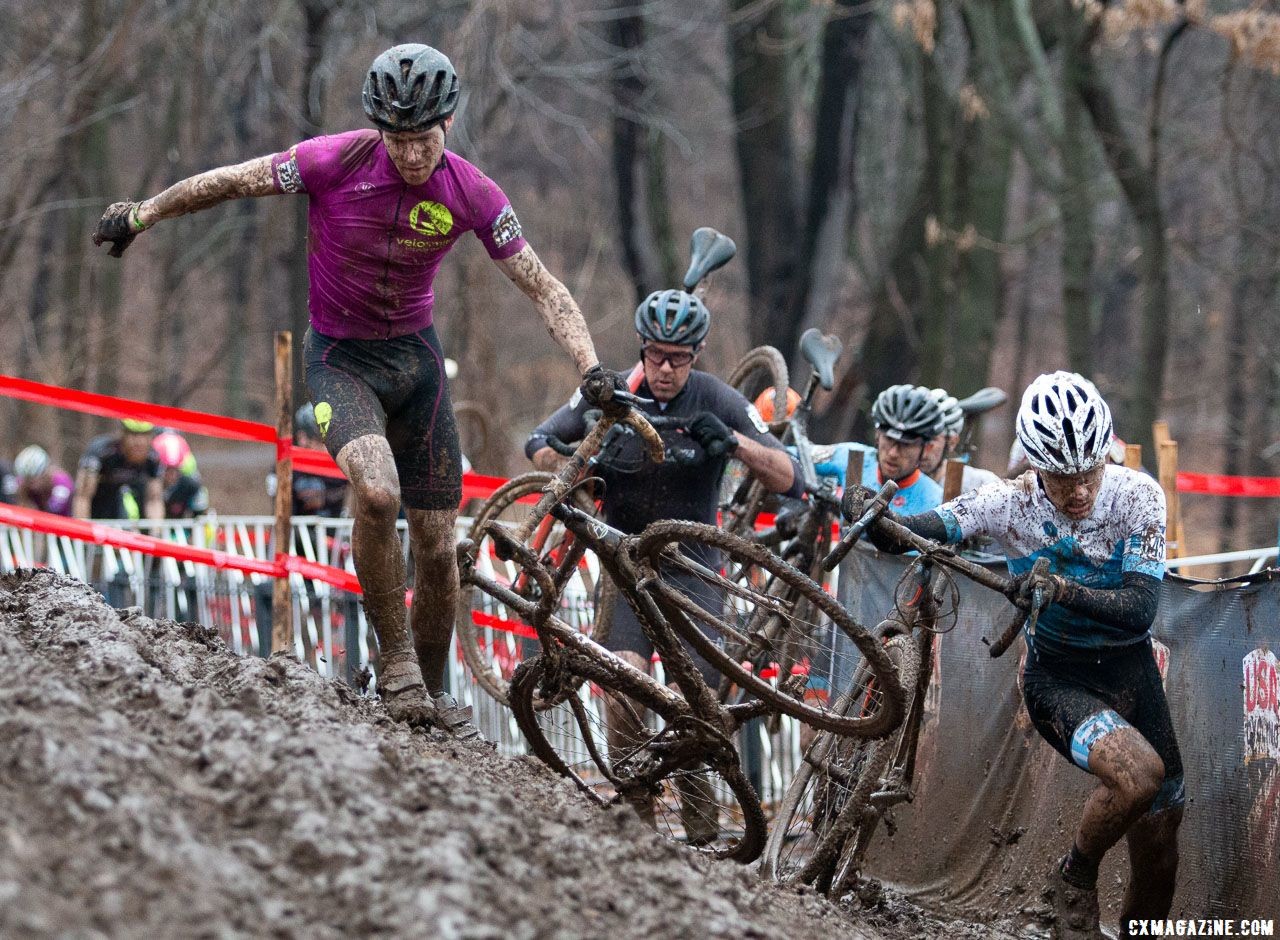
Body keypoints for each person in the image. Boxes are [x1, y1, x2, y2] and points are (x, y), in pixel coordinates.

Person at [94, 43, 619, 737]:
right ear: (379, 131)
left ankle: (432, 695)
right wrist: (144, 215)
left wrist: (590, 369)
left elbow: (543, 287)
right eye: (398, 141)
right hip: (341, 361)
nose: (410, 157)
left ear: (449, 124)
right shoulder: (332, 160)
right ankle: (395, 661)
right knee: (375, 491)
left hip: (419, 365)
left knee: (437, 545)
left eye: (424, 140)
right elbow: (229, 181)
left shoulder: (473, 192)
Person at [855, 371, 1181, 939]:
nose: (1079, 492)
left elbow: (1139, 607)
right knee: (1138, 776)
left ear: (1107, 454)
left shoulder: (1139, 496)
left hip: (1133, 675)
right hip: (1059, 681)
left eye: (1088, 473)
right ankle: (1072, 881)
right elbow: (922, 528)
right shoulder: (1009, 504)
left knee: (1160, 847)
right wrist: (877, 517)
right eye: (1060, 478)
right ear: (1034, 467)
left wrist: (1063, 590)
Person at [526, 288, 803, 833]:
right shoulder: (616, 391)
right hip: (626, 570)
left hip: (693, 571)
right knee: (626, 687)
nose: (665, 369)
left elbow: (792, 476)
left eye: (678, 358)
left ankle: (702, 823)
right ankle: (638, 814)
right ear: (642, 349)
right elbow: (537, 440)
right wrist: (571, 461)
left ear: (696, 355)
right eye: (655, 355)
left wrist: (734, 445)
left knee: (687, 705)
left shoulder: (716, 398)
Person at [808, 384, 946, 515]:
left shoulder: (936, 503)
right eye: (888, 439)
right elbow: (798, 455)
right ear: (877, 435)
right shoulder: (852, 457)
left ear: (927, 448)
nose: (893, 453)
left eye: (906, 445)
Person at [73, 420, 164, 521]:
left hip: (124, 499)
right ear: (122, 435)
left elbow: (154, 499)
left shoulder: (152, 457)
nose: (139, 442)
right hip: (97, 500)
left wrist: (157, 531)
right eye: (133, 435)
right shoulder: (102, 450)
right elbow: (83, 496)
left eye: (144, 436)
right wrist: (84, 529)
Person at [920, 388, 1002, 493]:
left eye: (932, 439)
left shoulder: (982, 483)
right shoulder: (895, 479)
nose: (922, 448)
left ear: (952, 442)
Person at [152, 431, 210, 519]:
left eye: (175, 470)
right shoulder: (148, 481)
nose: (172, 475)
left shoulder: (191, 486)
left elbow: (201, 512)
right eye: (167, 470)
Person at [12, 445, 75, 516]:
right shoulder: (21, 481)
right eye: (28, 481)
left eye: (34, 480)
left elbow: (54, 510)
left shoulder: (62, 483)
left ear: (45, 471)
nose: (32, 486)